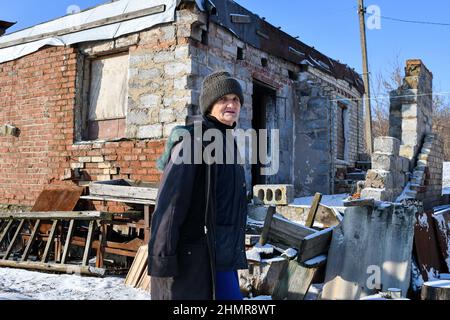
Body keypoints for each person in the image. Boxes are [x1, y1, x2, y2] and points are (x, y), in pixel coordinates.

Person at [148, 70, 248, 300]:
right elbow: (170, 204)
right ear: (210, 105)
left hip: (223, 255)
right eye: (223, 99)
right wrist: (162, 259)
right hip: (199, 256)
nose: (231, 104)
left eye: (235, 99)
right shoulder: (193, 142)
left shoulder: (228, 142)